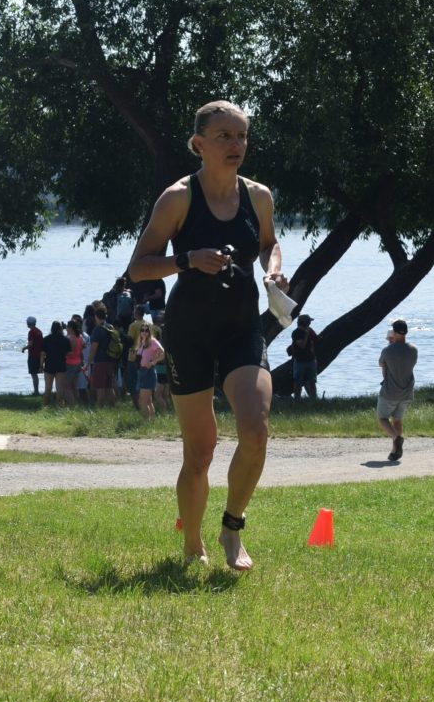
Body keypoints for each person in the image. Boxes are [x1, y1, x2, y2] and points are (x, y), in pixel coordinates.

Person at [129, 98, 288, 571]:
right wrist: (187, 260)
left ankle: (231, 529)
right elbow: (138, 268)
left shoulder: (258, 196)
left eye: (241, 136)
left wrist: (273, 271)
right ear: (199, 144)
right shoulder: (178, 198)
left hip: (242, 328)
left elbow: (269, 243)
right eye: (224, 137)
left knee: (256, 429)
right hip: (189, 332)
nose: (236, 145)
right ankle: (192, 543)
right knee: (200, 452)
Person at [377, 318, 418, 461]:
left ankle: (397, 438)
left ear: (394, 332)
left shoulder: (387, 350)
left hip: (390, 392)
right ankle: (395, 451)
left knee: (382, 418)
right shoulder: (413, 349)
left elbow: (381, 363)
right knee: (397, 420)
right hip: (407, 392)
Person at [88, 305, 118, 408]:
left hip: (100, 361)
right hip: (111, 360)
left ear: (96, 316)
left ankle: (100, 408)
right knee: (109, 386)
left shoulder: (97, 330)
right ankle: (112, 407)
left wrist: (88, 362)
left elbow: (93, 348)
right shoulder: (110, 327)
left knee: (100, 386)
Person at [136, 324, 165, 421]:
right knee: (148, 401)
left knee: (142, 401)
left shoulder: (152, 341)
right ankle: (151, 422)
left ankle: (146, 423)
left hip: (148, 372)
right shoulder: (142, 342)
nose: (144, 332)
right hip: (142, 371)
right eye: (142, 330)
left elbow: (163, 353)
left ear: (149, 332)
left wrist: (152, 362)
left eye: (146, 330)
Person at [287, 314, 319, 401]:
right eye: (309, 322)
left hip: (311, 360)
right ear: (306, 323)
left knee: (312, 381)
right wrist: (306, 335)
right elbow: (302, 346)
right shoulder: (296, 333)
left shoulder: (310, 330)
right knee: (298, 382)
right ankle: (297, 399)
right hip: (299, 361)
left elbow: (316, 339)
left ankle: (314, 399)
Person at [39, 321, 70, 408]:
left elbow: (42, 354)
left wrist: (41, 366)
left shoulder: (46, 339)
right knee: (60, 388)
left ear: (52, 328)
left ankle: (45, 406)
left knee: (48, 388)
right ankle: (59, 406)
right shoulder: (65, 340)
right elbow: (68, 353)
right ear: (61, 329)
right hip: (61, 365)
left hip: (49, 365)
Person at [64, 318, 85, 407]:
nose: (66, 329)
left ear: (70, 328)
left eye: (67, 327)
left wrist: (62, 352)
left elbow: (70, 352)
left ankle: (72, 405)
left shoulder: (71, 338)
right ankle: (77, 403)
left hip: (70, 363)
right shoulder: (80, 337)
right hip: (78, 362)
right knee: (74, 385)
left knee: (66, 386)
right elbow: (82, 348)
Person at [22, 316, 43, 396]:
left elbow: (30, 344)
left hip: (33, 355)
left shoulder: (31, 332)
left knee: (34, 374)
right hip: (39, 355)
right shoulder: (39, 331)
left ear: (29, 323)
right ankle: (36, 391)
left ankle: (36, 391)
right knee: (36, 374)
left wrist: (24, 348)